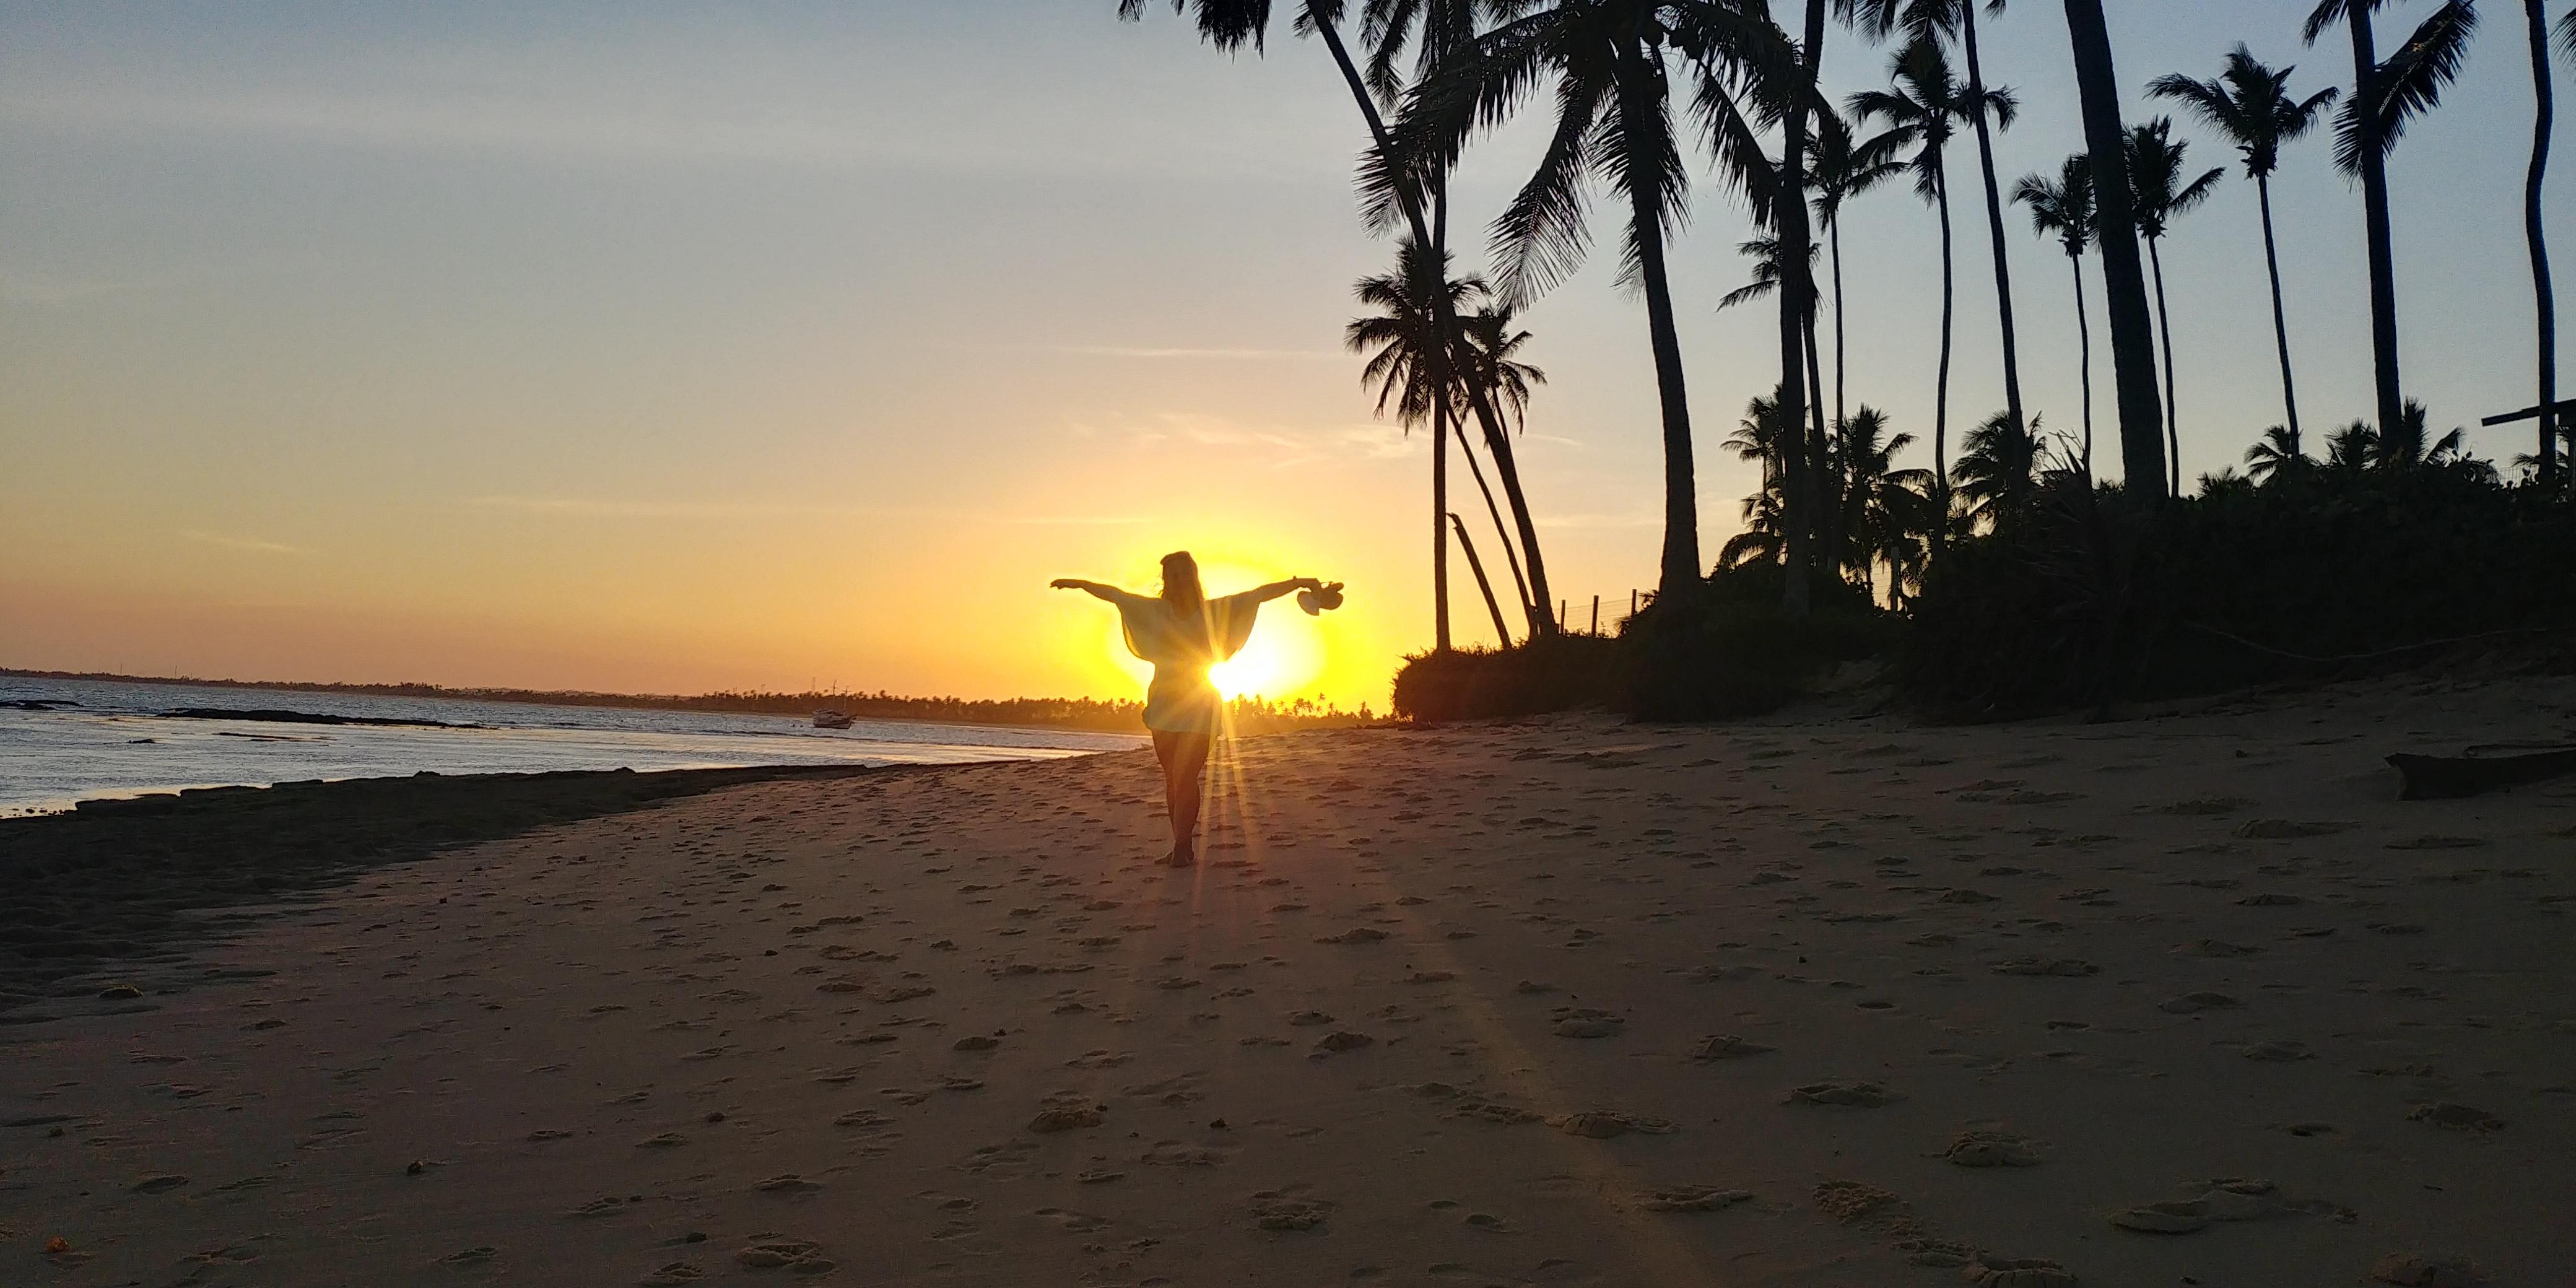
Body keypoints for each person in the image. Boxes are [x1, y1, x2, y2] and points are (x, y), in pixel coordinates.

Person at [1053, 552, 1334, 867]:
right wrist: (1078, 584)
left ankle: (1183, 845)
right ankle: (1180, 846)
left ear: (1193, 578)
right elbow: (1115, 595)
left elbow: (1260, 594)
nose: (1177, 581)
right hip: (1163, 704)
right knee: (1173, 780)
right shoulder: (1155, 611)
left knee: (1185, 776)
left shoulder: (1215, 611)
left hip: (1200, 704)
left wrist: (1304, 583)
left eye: (1183, 575)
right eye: (1171, 576)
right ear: (1165, 581)